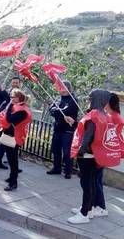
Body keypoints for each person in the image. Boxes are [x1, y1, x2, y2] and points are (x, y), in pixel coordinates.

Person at [68, 89, 119, 224]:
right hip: (97, 156)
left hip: (87, 156)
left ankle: (84, 214)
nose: (88, 100)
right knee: (91, 184)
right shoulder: (106, 116)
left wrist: (79, 153)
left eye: (90, 98)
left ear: (97, 99)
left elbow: (87, 138)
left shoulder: (93, 116)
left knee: (87, 185)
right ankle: (88, 209)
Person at [0, 88, 32, 191]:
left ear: (18, 98)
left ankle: (13, 183)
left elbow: (9, 119)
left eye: (13, 97)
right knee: (11, 158)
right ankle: (12, 177)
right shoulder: (19, 107)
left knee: (12, 160)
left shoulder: (22, 110)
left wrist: (10, 106)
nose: (11, 98)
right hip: (10, 135)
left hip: (14, 137)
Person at [47, 81, 79, 179]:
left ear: (69, 88)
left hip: (67, 130)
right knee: (56, 149)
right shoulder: (58, 98)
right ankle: (57, 168)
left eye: (64, 87)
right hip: (58, 128)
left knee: (67, 152)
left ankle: (68, 170)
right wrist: (56, 111)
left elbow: (66, 111)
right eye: (60, 87)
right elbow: (51, 110)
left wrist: (57, 111)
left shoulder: (73, 100)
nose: (62, 89)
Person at [0, 76, 22, 170]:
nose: (15, 84)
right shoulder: (8, 95)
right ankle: (11, 166)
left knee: (5, 144)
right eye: (13, 82)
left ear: (19, 84)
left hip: (15, 125)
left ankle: (1, 162)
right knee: (6, 145)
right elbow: (4, 108)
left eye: (16, 83)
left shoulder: (20, 95)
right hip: (8, 124)